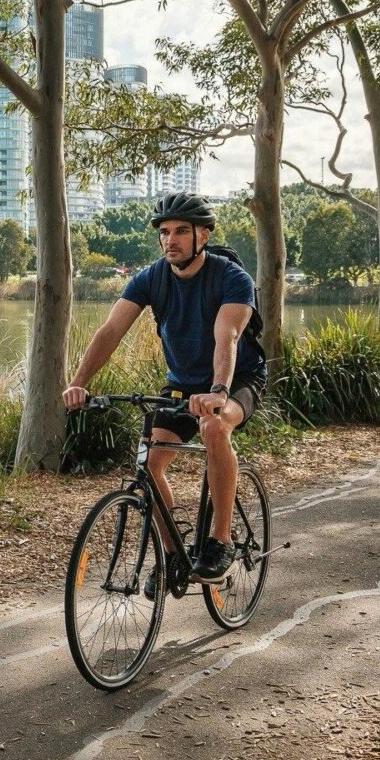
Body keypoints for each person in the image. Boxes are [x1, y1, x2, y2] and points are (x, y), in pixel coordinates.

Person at [61, 192, 267, 582]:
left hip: (238, 379)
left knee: (214, 427)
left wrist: (219, 391)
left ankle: (219, 541)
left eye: (181, 232)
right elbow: (111, 331)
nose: (170, 240)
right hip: (182, 383)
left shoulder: (232, 278)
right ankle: (174, 554)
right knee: (149, 463)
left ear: (203, 236)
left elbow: (229, 338)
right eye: (165, 232)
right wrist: (78, 383)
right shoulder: (151, 278)